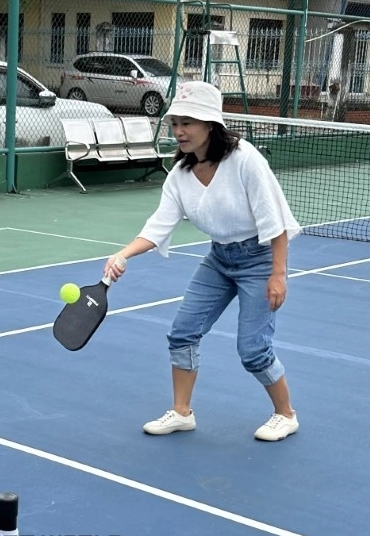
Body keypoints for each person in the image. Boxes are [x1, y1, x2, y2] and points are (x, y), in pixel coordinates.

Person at [103, 81, 301, 441]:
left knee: (253, 350)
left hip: (258, 259)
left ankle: (286, 414)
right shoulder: (179, 175)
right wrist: (123, 254)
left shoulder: (245, 160)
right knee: (182, 334)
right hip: (219, 259)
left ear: (210, 125)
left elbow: (276, 222)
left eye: (188, 123)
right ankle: (182, 413)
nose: (179, 131)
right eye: (175, 122)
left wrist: (278, 274)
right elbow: (158, 226)